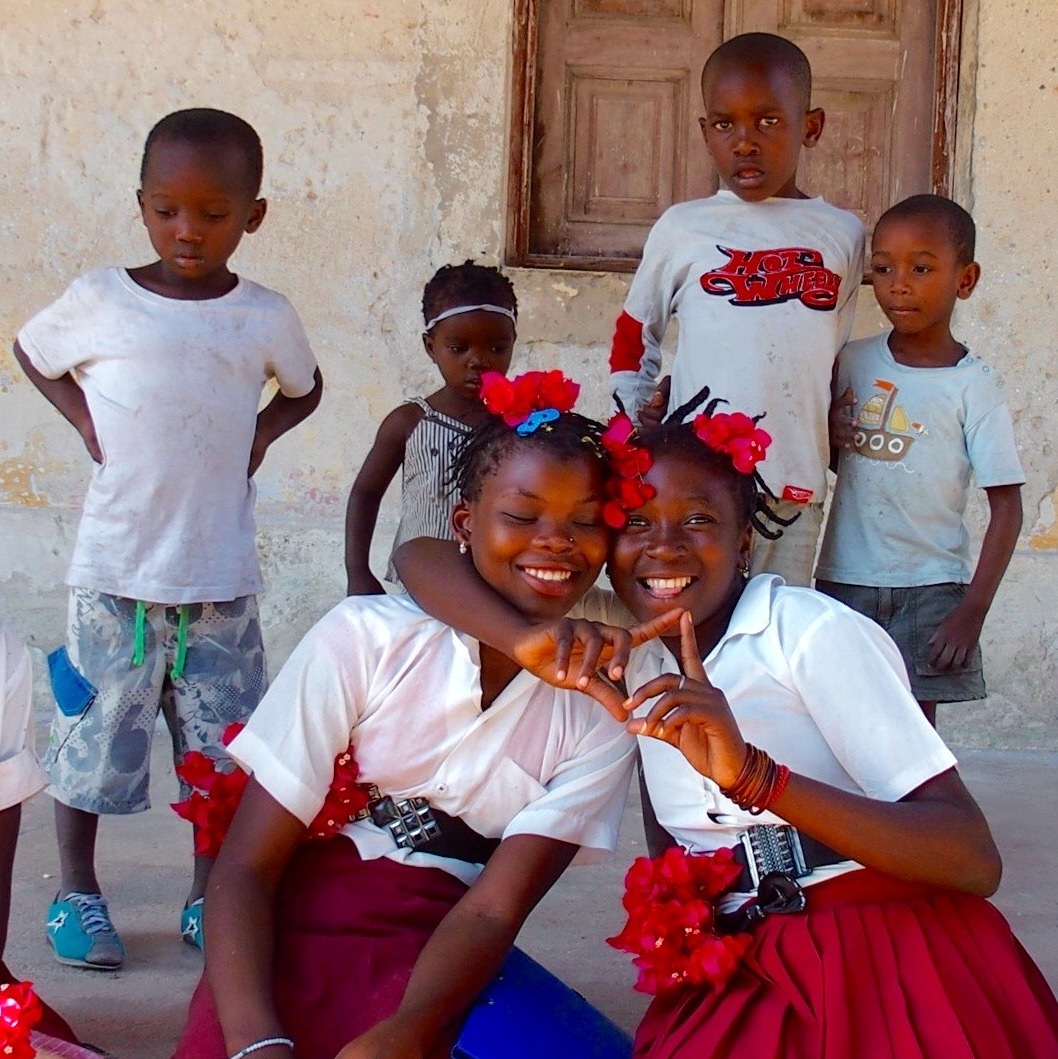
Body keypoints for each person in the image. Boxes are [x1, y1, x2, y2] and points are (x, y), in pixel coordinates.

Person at [394, 402, 1058, 1058]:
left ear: (743, 542)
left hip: (871, 938)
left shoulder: (805, 632)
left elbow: (972, 857)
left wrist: (754, 776)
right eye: (636, 521)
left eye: (698, 520)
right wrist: (519, 638)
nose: (664, 545)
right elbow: (421, 556)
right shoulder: (627, 637)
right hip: (739, 947)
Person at [173, 372, 657, 1059]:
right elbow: (246, 867)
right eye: (522, 516)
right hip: (294, 924)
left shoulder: (601, 702)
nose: (556, 541)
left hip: (449, 948)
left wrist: (411, 1029)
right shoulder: (366, 638)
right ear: (464, 523)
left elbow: (495, 908)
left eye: (584, 521)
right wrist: (257, 1042)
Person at [13, 108, 323, 968]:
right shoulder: (101, 298)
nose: (188, 230)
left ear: (253, 216)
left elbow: (305, 387)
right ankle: (78, 891)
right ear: (141, 205)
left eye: (214, 214)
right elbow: (34, 350)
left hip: (219, 577)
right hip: (115, 571)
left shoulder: (263, 315)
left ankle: (209, 895)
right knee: (90, 738)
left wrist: (260, 435)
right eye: (167, 210)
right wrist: (83, 418)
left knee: (220, 753)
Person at [608, 32, 865, 585]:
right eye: (725, 124)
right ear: (706, 133)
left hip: (794, 482)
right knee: (692, 617)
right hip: (694, 481)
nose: (745, 142)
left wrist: (833, 428)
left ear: (811, 127)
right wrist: (637, 424)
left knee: (775, 621)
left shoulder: (843, 234)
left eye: (768, 121)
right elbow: (634, 333)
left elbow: (834, 351)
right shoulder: (683, 227)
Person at [815, 194, 1024, 726]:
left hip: (931, 587)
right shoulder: (852, 361)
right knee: (841, 721)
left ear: (965, 279)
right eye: (883, 268)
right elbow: (849, 465)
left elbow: (1007, 508)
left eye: (922, 269)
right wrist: (830, 437)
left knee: (912, 730)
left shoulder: (974, 386)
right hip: (845, 578)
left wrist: (972, 610)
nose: (898, 285)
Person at [344, 260, 517, 595]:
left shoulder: (522, 425)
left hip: (498, 591)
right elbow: (366, 493)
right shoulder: (409, 422)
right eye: (459, 348)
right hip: (419, 590)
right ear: (430, 347)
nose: (478, 361)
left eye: (497, 347)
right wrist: (357, 571)